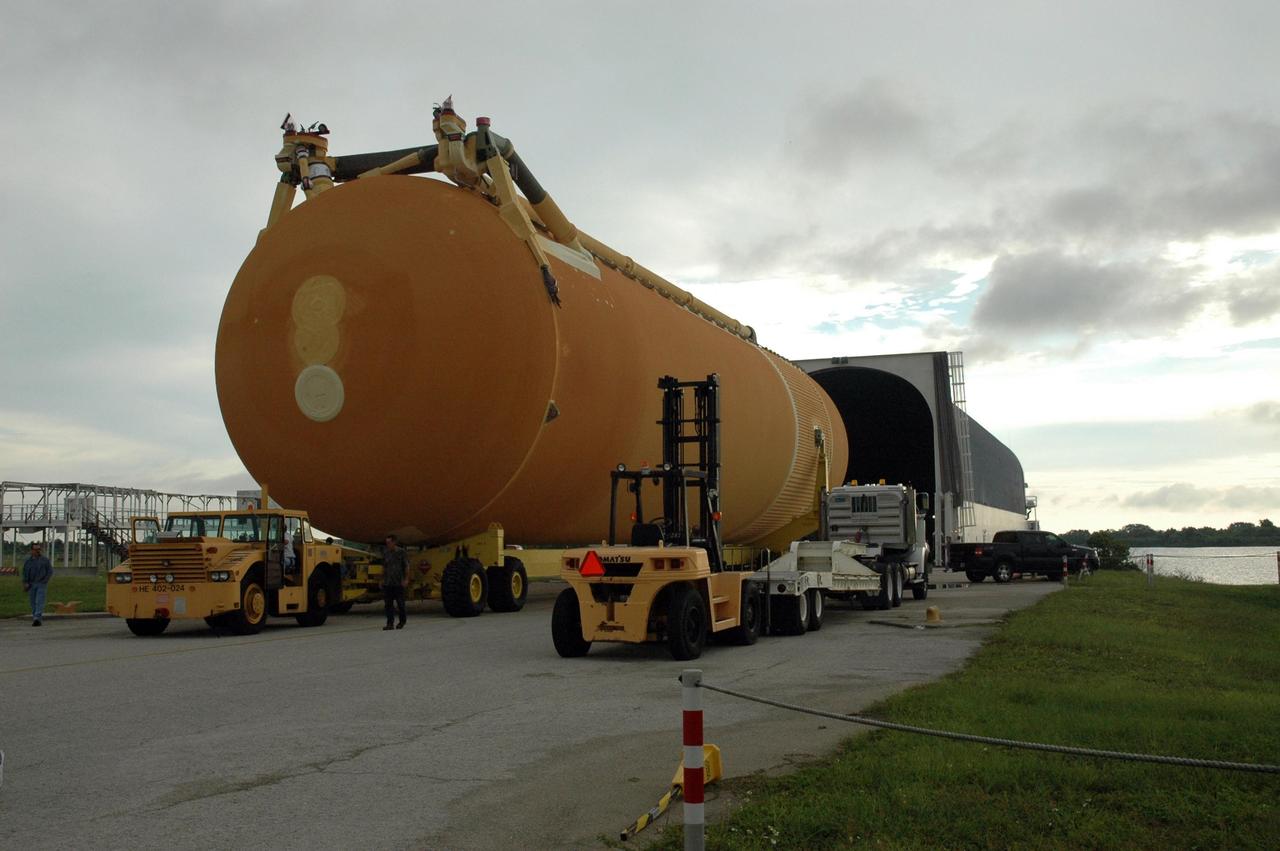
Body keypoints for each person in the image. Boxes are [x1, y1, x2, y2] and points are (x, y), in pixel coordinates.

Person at [22, 542, 54, 627]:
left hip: (41, 583)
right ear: (31, 550)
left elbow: (50, 571)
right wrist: (25, 583)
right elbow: (24, 572)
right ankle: (35, 617)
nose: (37, 551)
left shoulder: (45, 560)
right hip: (31, 584)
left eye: (39, 549)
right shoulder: (28, 561)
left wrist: (45, 580)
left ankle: (37, 618)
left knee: (39, 601)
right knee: (32, 602)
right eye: (35, 549)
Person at [382, 534, 409, 630]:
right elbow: (384, 567)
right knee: (388, 604)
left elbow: (406, 566)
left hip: (398, 582)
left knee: (400, 603)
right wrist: (382, 580)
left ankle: (402, 621)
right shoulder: (386, 553)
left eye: (389, 542)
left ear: (394, 542)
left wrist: (406, 579)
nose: (388, 544)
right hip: (388, 582)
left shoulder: (401, 552)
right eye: (387, 543)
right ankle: (390, 623)